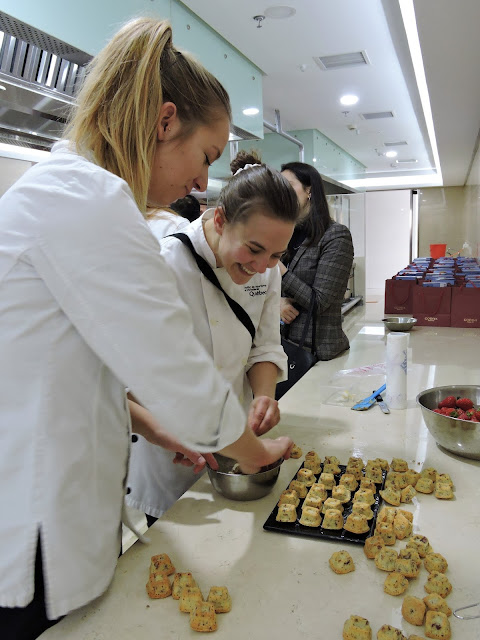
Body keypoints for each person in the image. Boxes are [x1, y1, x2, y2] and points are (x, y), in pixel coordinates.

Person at [0, 18, 293, 640]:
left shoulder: (69, 194)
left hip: (55, 501)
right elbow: (177, 371)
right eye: (205, 157)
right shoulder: (88, 202)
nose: (200, 183)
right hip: (32, 524)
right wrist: (254, 452)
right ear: (164, 123)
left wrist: (153, 426)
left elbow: (75, 369)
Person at [127, 159, 299, 521]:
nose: (264, 265)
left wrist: (264, 396)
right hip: (173, 458)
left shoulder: (266, 269)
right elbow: (130, 378)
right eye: (253, 250)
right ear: (220, 220)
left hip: (238, 440)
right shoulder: (163, 265)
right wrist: (165, 428)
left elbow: (265, 345)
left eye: (276, 255)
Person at [279, 162, 354, 364]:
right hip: (283, 347)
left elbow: (320, 302)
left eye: (288, 185)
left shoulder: (335, 235)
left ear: (309, 190)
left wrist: (280, 270)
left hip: (320, 354)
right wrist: (276, 303)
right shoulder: (283, 234)